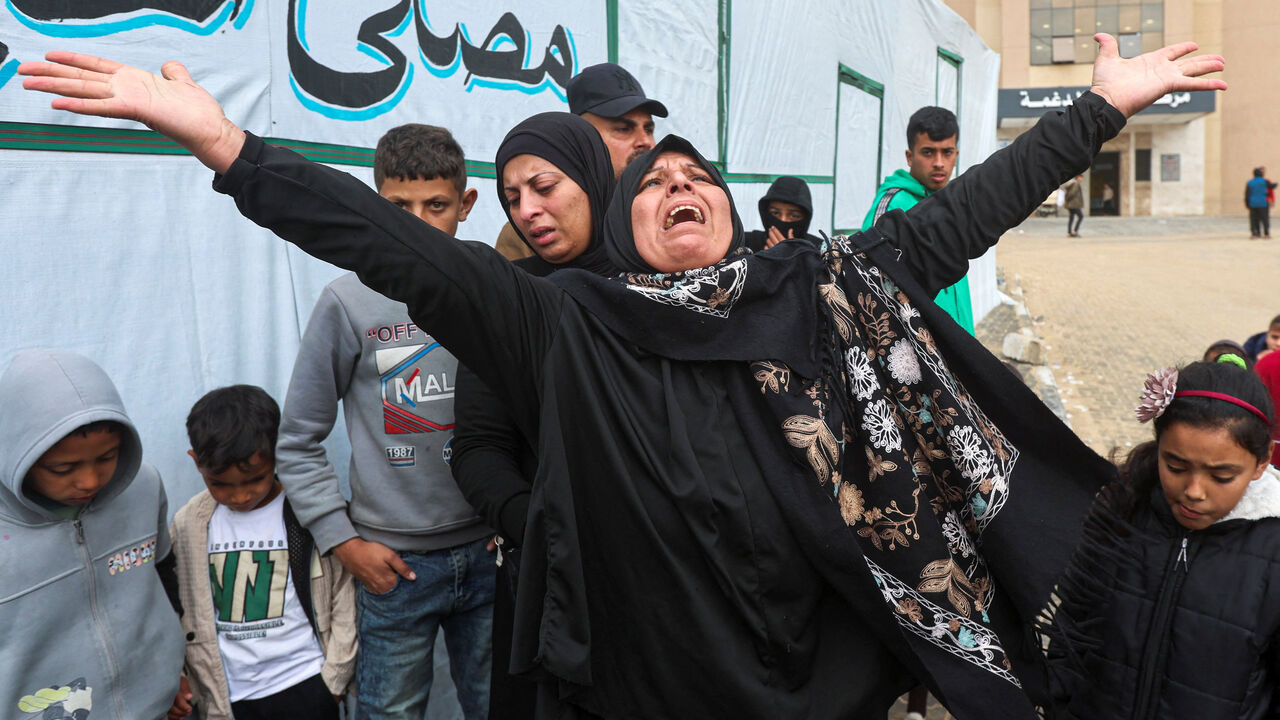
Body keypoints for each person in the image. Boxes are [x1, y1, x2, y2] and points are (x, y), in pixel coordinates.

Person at [20, 34, 1226, 718]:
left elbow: (969, 209)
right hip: (654, 692)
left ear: (729, 207)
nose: (673, 185)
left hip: (837, 683)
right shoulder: (568, 327)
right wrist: (232, 149)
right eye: (646, 185)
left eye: (690, 172)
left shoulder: (825, 288)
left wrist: (1096, 111)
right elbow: (394, 250)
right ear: (619, 231)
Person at [274, 124, 494, 720]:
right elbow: (296, 441)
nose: (418, 222)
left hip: (492, 553)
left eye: (437, 205)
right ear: (375, 207)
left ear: (466, 206)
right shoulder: (348, 303)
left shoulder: (496, 288)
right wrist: (342, 541)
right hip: (393, 568)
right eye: (398, 207)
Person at [451, 111, 619, 720]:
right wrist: (548, 532)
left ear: (593, 179)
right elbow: (476, 451)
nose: (526, 210)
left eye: (543, 188)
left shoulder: (654, 284)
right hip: (548, 589)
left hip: (661, 584)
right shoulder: (508, 293)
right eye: (512, 197)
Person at [1037, 361, 1280, 718]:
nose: (1194, 491)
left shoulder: (1273, 549)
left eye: (1222, 475)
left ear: (1262, 462)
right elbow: (1072, 626)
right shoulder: (1121, 511)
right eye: (1177, 467)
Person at [0, 348, 184, 720]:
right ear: (14, 454)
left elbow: (163, 578)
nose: (89, 481)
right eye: (63, 467)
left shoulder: (143, 487)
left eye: (107, 457)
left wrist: (172, 672)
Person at [168, 385, 356, 720]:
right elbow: (176, 607)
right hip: (227, 697)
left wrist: (334, 680)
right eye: (220, 483)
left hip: (306, 683)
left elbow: (344, 594)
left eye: (254, 479)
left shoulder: (309, 513)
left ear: (277, 454)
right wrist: (181, 675)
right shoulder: (189, 524)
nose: (239, 496)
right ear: (197, 463)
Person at [862, 106, 975, 335]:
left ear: (957, 154)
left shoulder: (952, 201)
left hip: (961, 343)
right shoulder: (892, 205)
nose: (939, 163)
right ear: (909, 156)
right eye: (928, 152)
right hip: (923, 351)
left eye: (947, 152)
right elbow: (868, 282)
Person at [567, 62, 668, 180]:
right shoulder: (556, 196)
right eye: (624, 129)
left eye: (648, 130)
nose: (646, 142)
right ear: (580, 138)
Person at [744, 175, 822, 251]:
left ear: (805, 218)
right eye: (775, 213)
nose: (783, 220)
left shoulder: (820, 251)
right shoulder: (746, 243)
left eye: (793, 215)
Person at [1246, 166, 1277, 239]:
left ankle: (1255, 234)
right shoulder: (1264, 181)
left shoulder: (1250, 182)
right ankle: (1266, 234)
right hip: (1263, 203)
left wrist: (1247, 204)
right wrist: (1276, 184)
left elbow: (1247, 194)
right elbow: (1271, 187)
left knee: (1254, 219)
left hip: (1253, 204)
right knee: (1265, 219)